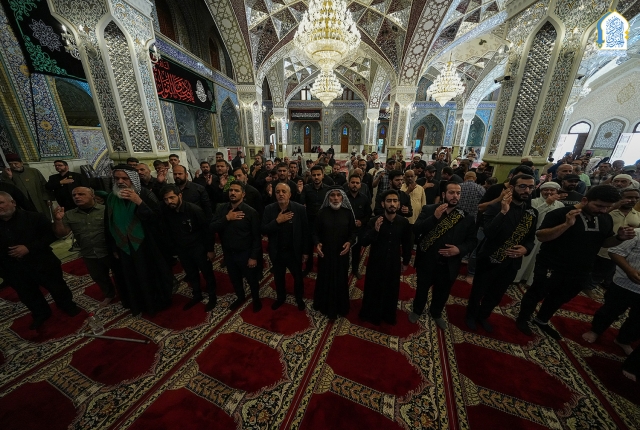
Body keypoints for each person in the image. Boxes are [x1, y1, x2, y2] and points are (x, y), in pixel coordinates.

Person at [516, 185, 636, 339]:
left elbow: (605, 243)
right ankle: (523, 318)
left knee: (560, 297)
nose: (603, 210)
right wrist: (566, 225)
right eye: (599, 206)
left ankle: (542, 319)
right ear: (585, 200)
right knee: (537, 293)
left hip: (581, 269)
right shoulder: (560, 213)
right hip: (552, 265)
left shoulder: (605, 218)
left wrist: (619, 238)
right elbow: (542, 236)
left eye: (607, 207)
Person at [466, 174, 538, 331]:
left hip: (511, 263)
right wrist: (503, 212)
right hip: (490, 258)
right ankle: (470, 316)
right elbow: (489, 232)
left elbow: (531, 238)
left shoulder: (532, 212)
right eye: (523, 186)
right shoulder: (495, 208)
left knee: (496, 294)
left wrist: (526, 248)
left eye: (530, 187)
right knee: (478, 292)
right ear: (512, 188)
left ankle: (483, 316)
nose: (527, 190)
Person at [0, 191, 80, 329]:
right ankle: (41, 313)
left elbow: (51, 236)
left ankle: (67, 305)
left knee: (57, 288)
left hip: (42, 263)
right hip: (14, 269)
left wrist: (28, 248)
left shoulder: (34, 217)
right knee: (28, 295)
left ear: (13, 203)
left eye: (1, 203)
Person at [103, 165, 173, 316]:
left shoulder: (145, 194)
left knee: (146, 275)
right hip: (122, 246)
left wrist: (139, 202)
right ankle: (135, 303)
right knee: (129, 276)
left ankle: (152, 304)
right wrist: (113, 247)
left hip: (146, 246)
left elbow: (157, 219)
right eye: (117, 178)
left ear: (133, 179)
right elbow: (108, 224)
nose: (120, 181)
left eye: (125, 178)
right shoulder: (112, 198)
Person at [410, 182, 477, 328]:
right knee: (422, 289)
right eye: (451, 192)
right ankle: (417, 310)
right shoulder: (429, 209)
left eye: (458, 193)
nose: (455, 196)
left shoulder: (466, 217)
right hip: (427, 261)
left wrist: (459, 249)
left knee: (442, 292)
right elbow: (416, 229)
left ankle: (436, 313)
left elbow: (472, 241)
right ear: (443, 194)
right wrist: (434, 217)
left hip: (449, 264)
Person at [53, 187, 117, 307]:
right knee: (99, 276)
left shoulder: (105, 209)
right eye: (74, 195)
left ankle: (126, 294)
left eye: (81, 194)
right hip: (89, 253)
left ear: (92, 196)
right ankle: (109, 294)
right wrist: (58, 220)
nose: (77, 197)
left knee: (119, 274)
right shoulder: (70, 214)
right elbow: (61, 233)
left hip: (108, 251)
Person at [581, 229, 640, 355]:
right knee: (610, 310)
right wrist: (629, 271)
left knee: (637, 319)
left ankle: (623, 340)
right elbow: (615, 252)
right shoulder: (636, 234)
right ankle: (595, 331)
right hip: (624, 284)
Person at [359, 190, 412, 325]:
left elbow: (407, 243)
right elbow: (363, 241)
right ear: (383, 204)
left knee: (391, 289)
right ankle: (371, 314)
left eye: (395, 201)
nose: (392, 204)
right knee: (373, 288)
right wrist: (374, 230)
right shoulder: (374, 221)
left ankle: (388, 315)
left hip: (394, 262)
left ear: (399, 204)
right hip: (376, 262)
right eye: (389, 201)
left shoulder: (403, 222)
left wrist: (406, 261)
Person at [160, 185, 217, 311]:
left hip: (198, 247)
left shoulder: (194, 210)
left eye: (172, 197)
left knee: (207, 273)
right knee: (191, 273)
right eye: (166, 199)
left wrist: (210, 250)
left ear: (180, 195)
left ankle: (212, 297)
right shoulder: (166, 211)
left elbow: (207, 231)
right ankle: (197, 295)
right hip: (182, 249)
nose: (169, 201)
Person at [211, 181, 263, 312]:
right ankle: (240, 297)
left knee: (252, 280)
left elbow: (257, 237)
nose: (233, 193)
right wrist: (227, 218)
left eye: (236, 191)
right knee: (234, 279)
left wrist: (253, 257)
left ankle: (256, 300)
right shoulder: (221, 209)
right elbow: (212, 227)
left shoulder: (251, 212)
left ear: (243, 194)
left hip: (245, 253)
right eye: (231, 190)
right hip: (228, 253)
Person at [262, 183, 309, 310]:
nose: (281, 194)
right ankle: (280, 298)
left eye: (284, 191)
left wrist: (305, 251)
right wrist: (277, 221)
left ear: (290, 194)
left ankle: (299, 298)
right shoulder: (269, 209)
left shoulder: (299, 209)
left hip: (294, 251)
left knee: (298, 277)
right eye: (278, 192)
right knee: (279, 277)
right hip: (277, 251)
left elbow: (305, 232)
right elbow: (263, 229)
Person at [313, 188, 357, 319]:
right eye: (332, 195)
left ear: (342, 198)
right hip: (325, 253)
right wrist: (317, 243)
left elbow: (353, 232)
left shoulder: (348, 213)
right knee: (325, 277)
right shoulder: (321, 213)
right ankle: (323, 305)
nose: (336, 198)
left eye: (338, 195)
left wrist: (350, 242)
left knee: (340, 278)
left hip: (341, 253)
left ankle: (341, 306)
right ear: (328, 198)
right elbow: (314, 232)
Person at [514, 182, 564, 287]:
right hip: (531, 235)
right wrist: (547, 203)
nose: (549, 192)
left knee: (539, 260)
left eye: (552, 190)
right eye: (546, 190)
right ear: (541, 191)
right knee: (526, 258)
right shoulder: (533, 202)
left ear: (556, 192)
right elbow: (531, 217)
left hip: (547, 236)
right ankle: (517, 278)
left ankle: (530, 280)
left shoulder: (560, 205)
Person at [2, 154, 53, 221]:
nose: (13, 166)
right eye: (10, 164)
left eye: (16, 163)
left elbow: (44, 185)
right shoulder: (6, 174)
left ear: (21, 163)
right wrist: (10, 178)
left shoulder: (33, 171)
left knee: (45, 218)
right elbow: (8, 190)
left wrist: (48, 198)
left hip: (40, 201)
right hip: (23, 204)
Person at [300, 165, 331, 275]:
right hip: (309, 222)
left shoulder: (328, 189)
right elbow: (301, 202)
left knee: (323, 246)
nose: (316, 177)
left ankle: (322, 268)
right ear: (311, 176)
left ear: (323, 175)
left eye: (318, 175)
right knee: (308, 246)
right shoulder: (306, 188)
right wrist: (299, 193)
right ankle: (308, 267)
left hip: (323, 224)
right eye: (314, 175)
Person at [346, 174, 372, 279]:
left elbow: (368, 214)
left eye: (357, 183)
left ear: (360, 185)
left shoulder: (364, 198)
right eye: (352, 182)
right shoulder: (343, 197)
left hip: (358, 230)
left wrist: (361, 222)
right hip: (345, 230)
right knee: (344, 250)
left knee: (356, 251)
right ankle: (343, 269)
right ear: (348, 184)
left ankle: (355, 269)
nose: (355, 185)